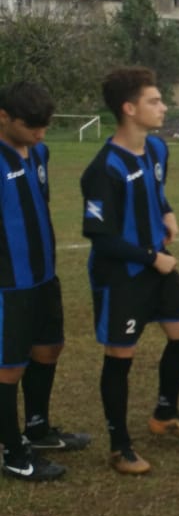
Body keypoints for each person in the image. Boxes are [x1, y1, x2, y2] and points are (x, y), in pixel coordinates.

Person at [82, 67, 179, 475]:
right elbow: (100, 237)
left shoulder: (157, 149)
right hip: (122, 275)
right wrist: (152, 258)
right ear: (129, 108)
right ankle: (119, 447)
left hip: (157, 263)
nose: (163, 107)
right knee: (120, 356)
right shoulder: (103, 169)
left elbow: (157, 191)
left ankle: (165, 414)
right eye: (154, 101)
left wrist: (167, 212)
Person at [0, 82, 89, 482]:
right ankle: (13, 453)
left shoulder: (40, 152)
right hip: (9, 285)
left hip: (44, 277)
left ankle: (38, 429)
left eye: (45, 125)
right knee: (7, 368)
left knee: (49, 348)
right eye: (32, 126)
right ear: (4, 117)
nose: (41, 133)